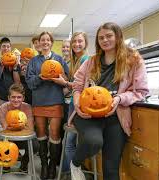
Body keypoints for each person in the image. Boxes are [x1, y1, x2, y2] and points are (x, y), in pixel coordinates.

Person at [68, 22, 149, 180]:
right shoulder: (91, 61)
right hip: (87, 113)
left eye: (109, 36)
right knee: (93, 141)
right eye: (101, 38)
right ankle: (75, 163)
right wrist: (77, 103)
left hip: (116, 115)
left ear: (118, 36)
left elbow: (141, 91)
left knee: (111, 168)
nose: (105, 40)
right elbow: (77, 86)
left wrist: (119, 98)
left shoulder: (134, 61)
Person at [25, 31, 69, 179]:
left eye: (47, 40)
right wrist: (40, 77)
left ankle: (52, 166)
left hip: (56, 101)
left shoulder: (59, 60)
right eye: (42, 40)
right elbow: (30, 83)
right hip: (39, 103)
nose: (45, 42)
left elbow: (67, 80)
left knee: (55, 133)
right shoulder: (33, 61)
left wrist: (59, 80)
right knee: (41, 133)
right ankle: (44, 165)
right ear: (39, 43)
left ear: (51, 42)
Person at [53, 32, 91, 177]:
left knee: (69, 142)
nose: (76, 44)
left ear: (85, 43)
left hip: (79, 104)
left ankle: (69, 173)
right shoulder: (76, 60)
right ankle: (67, 172)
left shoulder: (85, 59)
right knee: (69, 142)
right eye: (74, 41)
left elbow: (80, 86)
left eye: (80, 41)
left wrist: (64, 83)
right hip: (73, 104)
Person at [0, 83, 34, 172]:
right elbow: (5, 129)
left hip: (23, 138)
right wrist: (20, 126)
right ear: (9, 98)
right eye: (13, 97)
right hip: (8, 139)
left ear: (23, 98)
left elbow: (30, 128)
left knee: (34, 144)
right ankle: (6, 165)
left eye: (19, 97)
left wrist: (13, 126)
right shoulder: (2, 108)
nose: (16, 100)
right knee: (2, 141)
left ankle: (24, 164)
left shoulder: (28, 108)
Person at [0, 37, 21, 105]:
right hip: (0, 98)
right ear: (0, 48)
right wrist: (1, 66)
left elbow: (17, 82)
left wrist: (15, 67)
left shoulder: (16, 62)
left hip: (14, 98)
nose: (6, 48)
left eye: (8, 46)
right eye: (4, 46)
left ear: (10, 48)